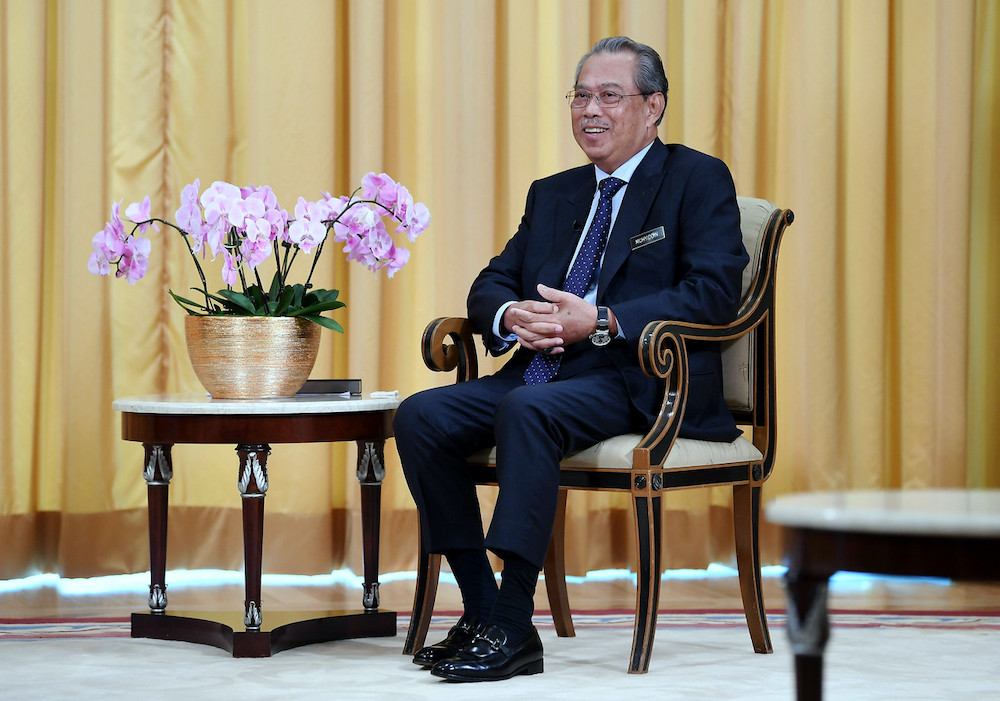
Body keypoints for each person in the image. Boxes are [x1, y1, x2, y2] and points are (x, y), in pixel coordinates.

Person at [393, 36, 749, 682]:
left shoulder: (696, 178)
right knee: (420, 415)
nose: (591, 110)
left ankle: (511, 622)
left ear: (653, 107)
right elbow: (493, 280)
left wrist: (605, 320)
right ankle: (483, 610)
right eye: (581, 95)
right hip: (542, 373)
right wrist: (510, 316)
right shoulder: (553, 193)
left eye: (610, 95)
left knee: (529, 411)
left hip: (639, 378)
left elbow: (716, 292)